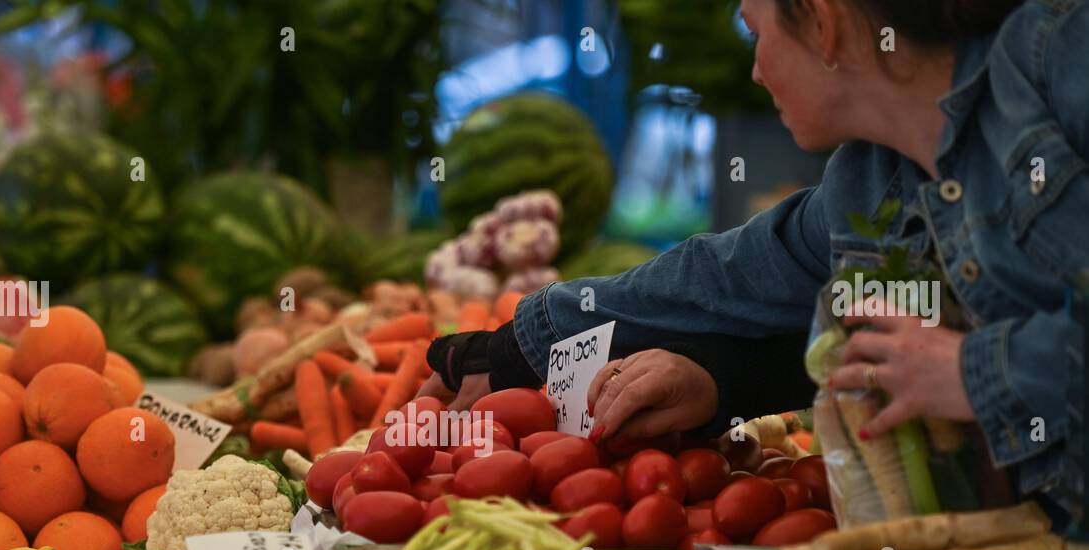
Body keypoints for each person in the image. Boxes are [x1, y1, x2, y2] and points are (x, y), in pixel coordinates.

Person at [421, 0, 1088, 515]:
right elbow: (726, 276)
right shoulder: (869, 178)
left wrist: (976, 371)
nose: (755, 68)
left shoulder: (1060, 59)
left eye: (754, 30)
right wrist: (516, 347)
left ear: (822, 24)